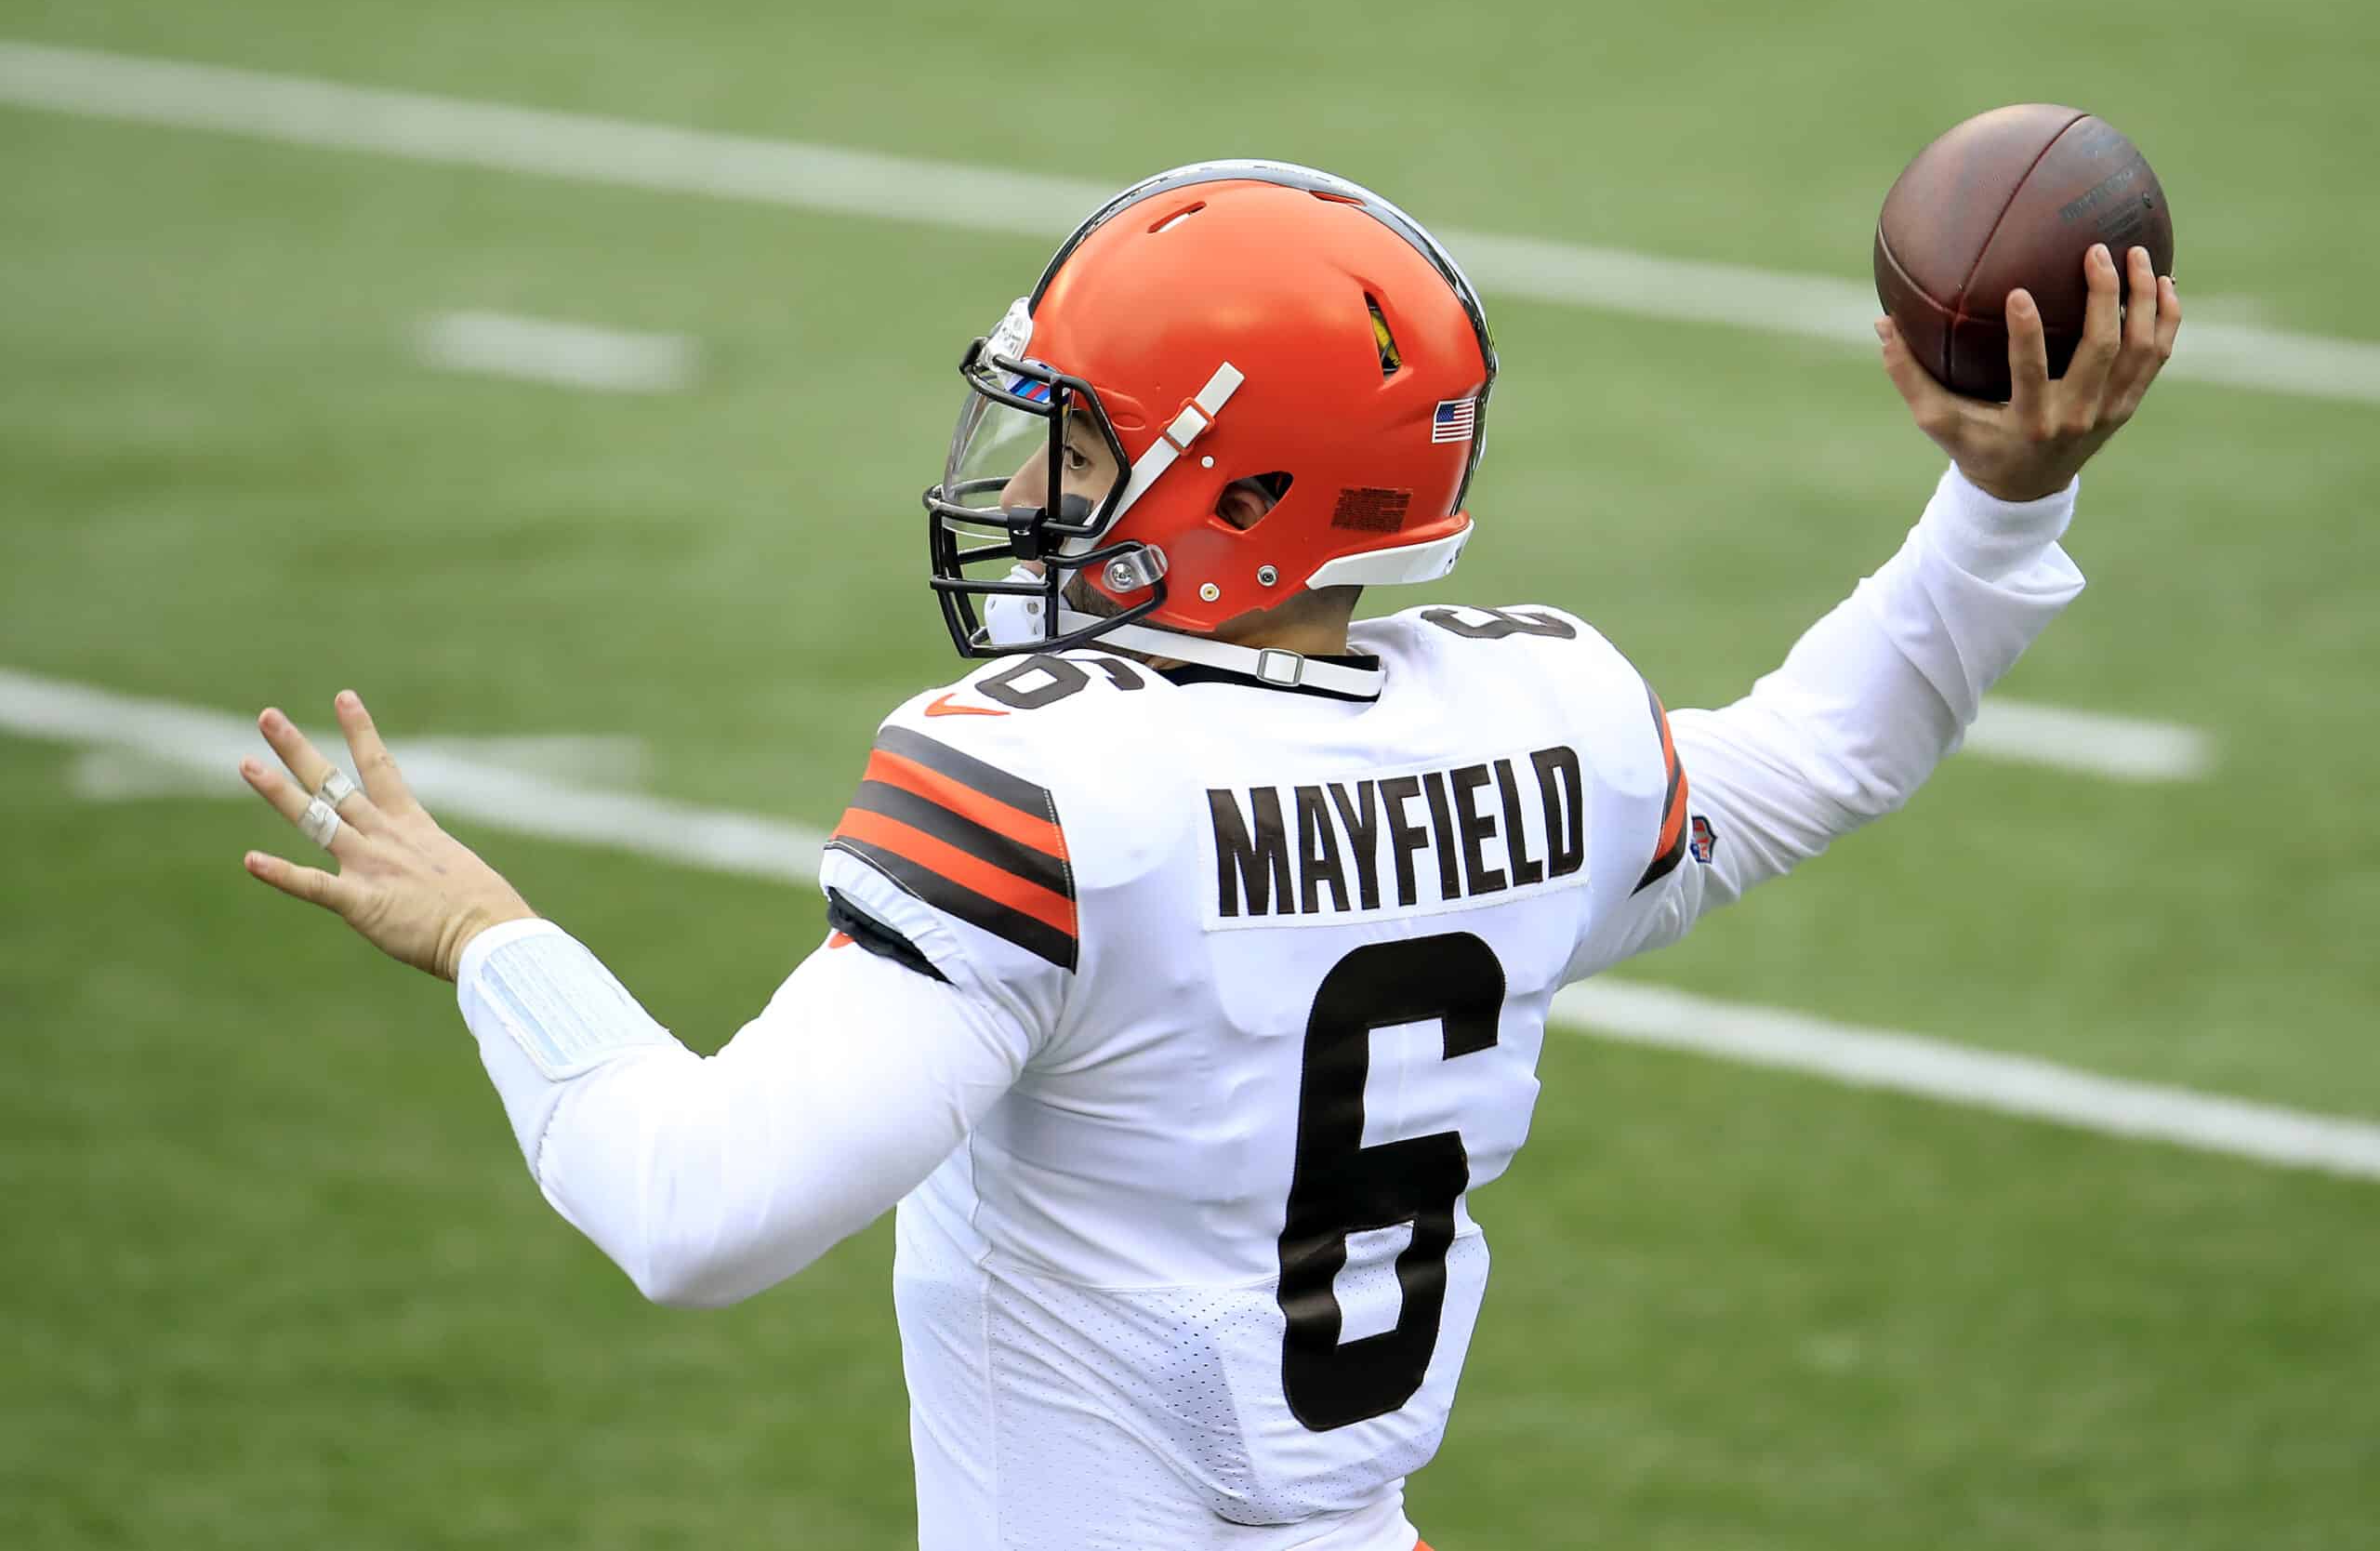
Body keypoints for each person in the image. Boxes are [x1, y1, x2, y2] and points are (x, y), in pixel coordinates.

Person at [236, 161, 2180, 1551]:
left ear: (1238, 490)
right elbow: (1824, 753)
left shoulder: (1037, 786)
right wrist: (1997, 510)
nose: (1021, 497)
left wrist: (491, 938)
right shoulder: (1535, 723)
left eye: (1077, 455)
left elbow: (700, 1211)